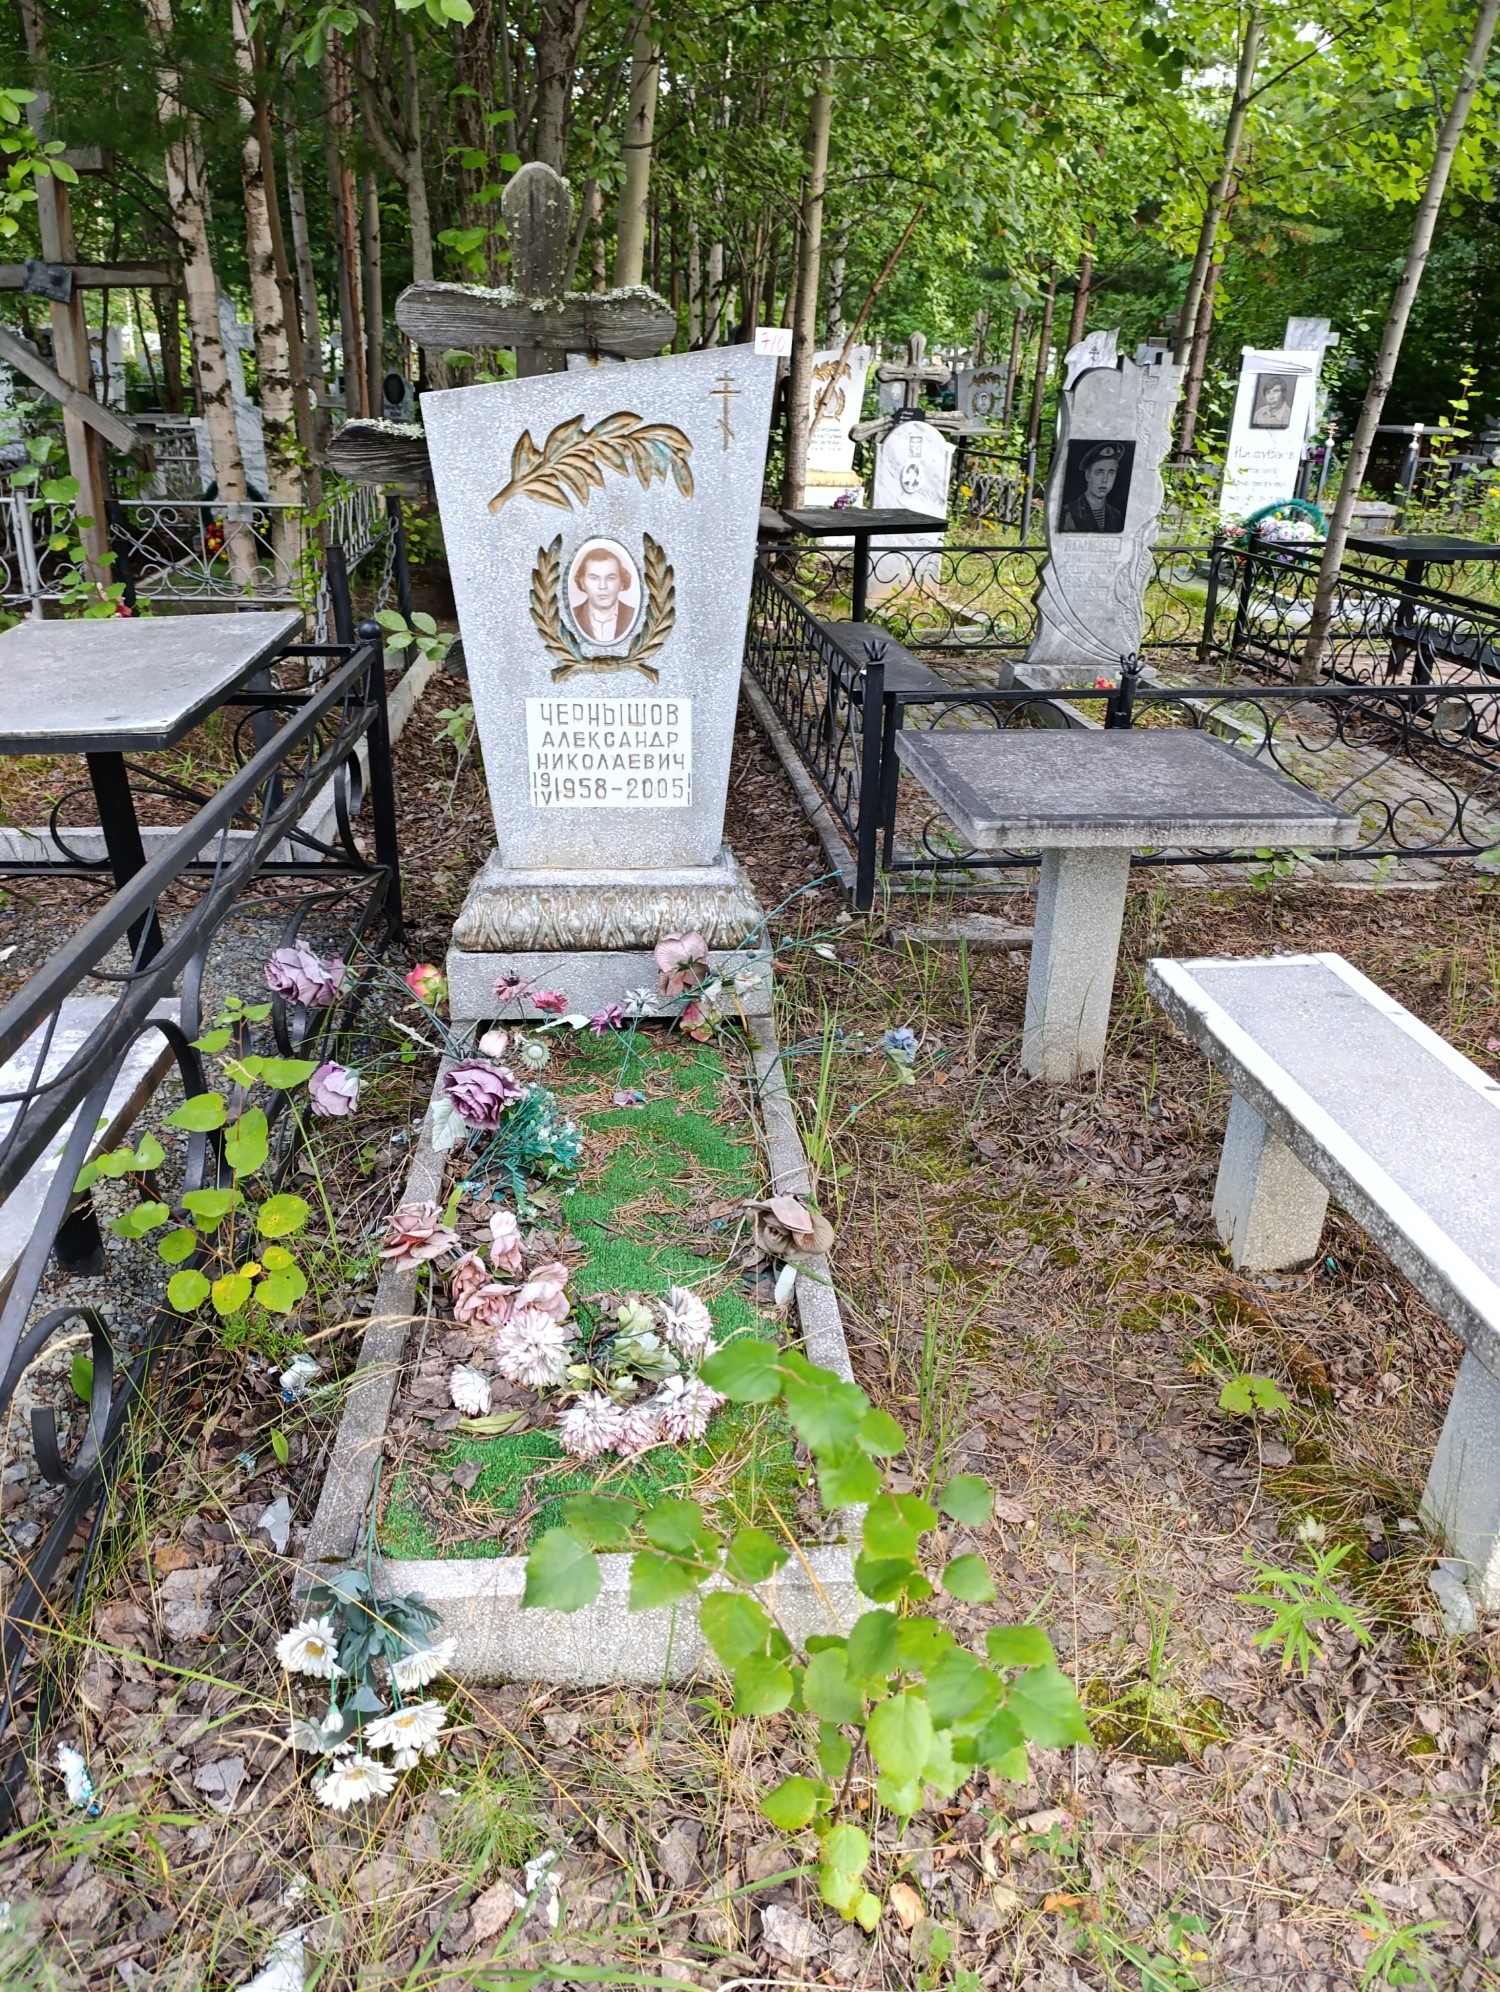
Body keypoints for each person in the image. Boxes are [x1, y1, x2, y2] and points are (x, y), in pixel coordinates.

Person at [572, 546, 636, 641]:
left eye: (610, 578)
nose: (602, 586)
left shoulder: (634, 616)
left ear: (622, 583)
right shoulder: (571, 617)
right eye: (594, 578)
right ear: (582, 583)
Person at [1061, 443, 1127, 534]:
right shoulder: (1070, 512)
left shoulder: (1116, 515)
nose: (1105, 480)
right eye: (1099, 473)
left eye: (1111, 473)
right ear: (1087, 475)